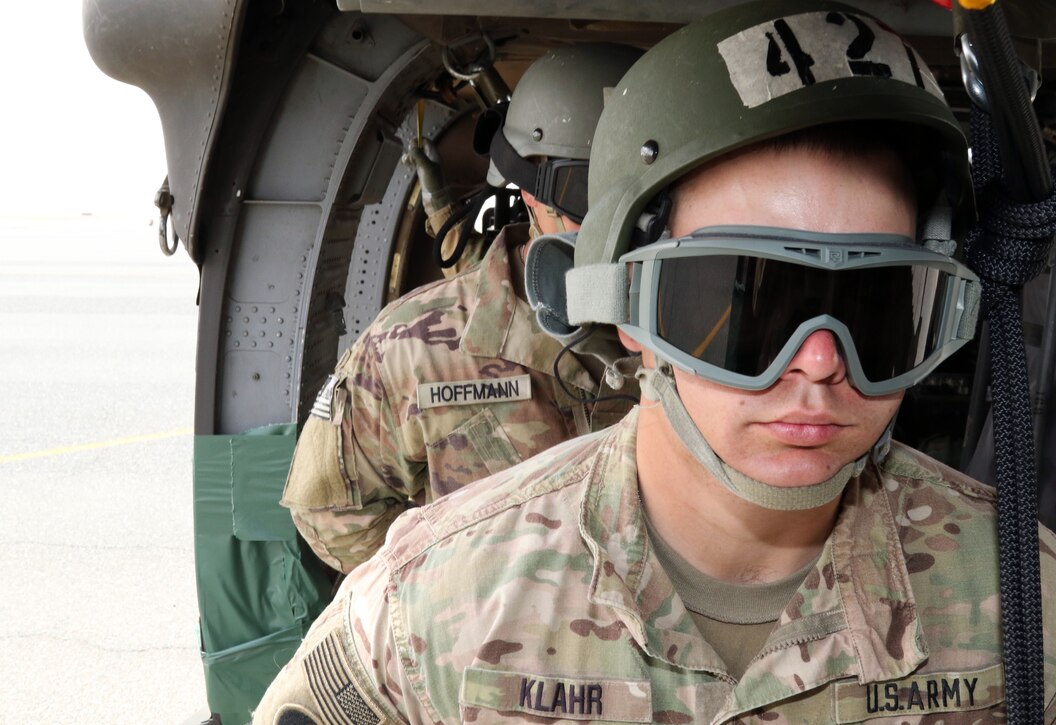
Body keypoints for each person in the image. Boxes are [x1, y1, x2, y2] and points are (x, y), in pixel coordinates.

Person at [255, 3, 1056, 723]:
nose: (818, 364)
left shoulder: (1028, 604)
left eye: (879, 311)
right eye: (751, 304)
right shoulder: (424, 606)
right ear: (625, 305)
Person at [282, 42, 642, 574]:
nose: (620, 226)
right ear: (530, 186)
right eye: (588, 191)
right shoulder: (411, 348)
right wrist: (445, 592)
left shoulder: (713, 331)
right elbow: (330, 511)